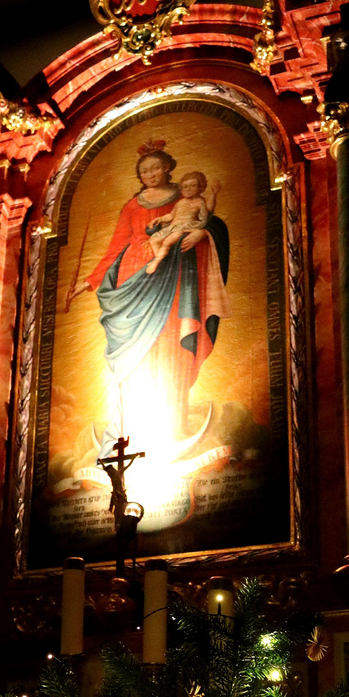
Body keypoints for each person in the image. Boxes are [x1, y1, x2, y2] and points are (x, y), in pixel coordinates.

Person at [72, 142, 231, 459]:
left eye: (156, 168)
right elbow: (116, 246)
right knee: (137, 355)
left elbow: (208, 220)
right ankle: (129, 434)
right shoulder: (133, 206)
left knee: (172, 346)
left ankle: (175, 424)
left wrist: (205, 233)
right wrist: (88, 281)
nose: (150, 174)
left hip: (176, 278)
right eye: (144, 171)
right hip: (134, 277)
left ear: (169, 168)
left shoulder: (187, 197)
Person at [146, 172, 221, 275]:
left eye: (193, 186)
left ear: (200, 188)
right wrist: (160, 218)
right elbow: (171, 216)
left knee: (167, 242)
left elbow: (204, 216)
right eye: (185, 187)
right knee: (153, 239)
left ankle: (156, 262)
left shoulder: (200, 202)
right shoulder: (180, 202)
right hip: (172, 227)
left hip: (184, 227)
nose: (188, 189)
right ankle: (161, 260)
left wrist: (213, 194)